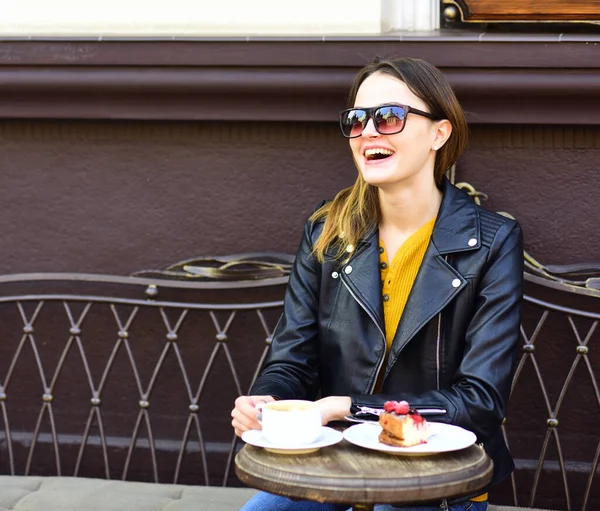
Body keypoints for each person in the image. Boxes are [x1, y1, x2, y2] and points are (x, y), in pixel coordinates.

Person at [231, 56, 524, 511]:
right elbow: (291, 360)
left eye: (389, 117)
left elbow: (479, 402)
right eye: (357, 119)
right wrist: (267, 401)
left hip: (433, 479)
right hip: (331, 464)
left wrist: (348, 407)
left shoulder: (492, 242)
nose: (369, 131)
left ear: (438, 134)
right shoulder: (328, 231)